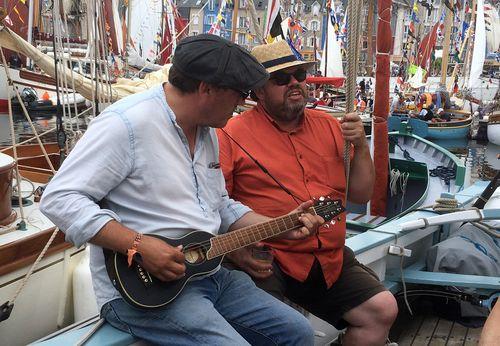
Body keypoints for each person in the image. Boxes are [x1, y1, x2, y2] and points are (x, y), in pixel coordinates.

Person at [40, 34, 325, 345]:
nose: (243, 103)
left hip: (208, 272)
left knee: (298, 333)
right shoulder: (126, 124)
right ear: (207, 89)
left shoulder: (208, 131)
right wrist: (139, 244)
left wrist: (283, 226)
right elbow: (60, 198)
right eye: (240, 93)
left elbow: (221, 206)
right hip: (141, 291)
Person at [217, 40, 398, 346]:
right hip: (268, 258)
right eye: (281, 79)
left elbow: (360, 195)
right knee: (276, 330)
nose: (294, 84)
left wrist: (361, 147)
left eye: (299, 75)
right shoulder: (230, 134)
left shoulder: (330, 126)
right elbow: (215, 206)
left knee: (381, 311)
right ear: (258, 90)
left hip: (327, 257)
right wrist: (235, 251)